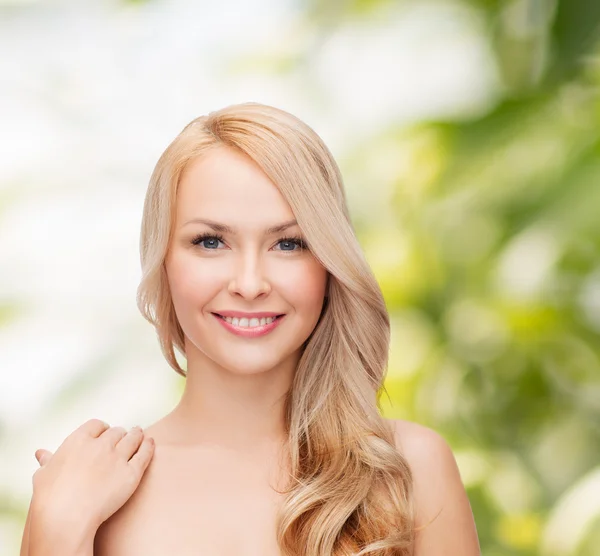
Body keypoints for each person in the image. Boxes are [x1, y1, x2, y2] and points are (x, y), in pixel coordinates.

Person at [21, 102, 481, 556]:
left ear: (328, 265)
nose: (249, 284)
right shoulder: (89, 494)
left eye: (288, 243)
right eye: (210, 242)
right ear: (163, 261)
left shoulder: (412, 469)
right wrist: (56, 534)